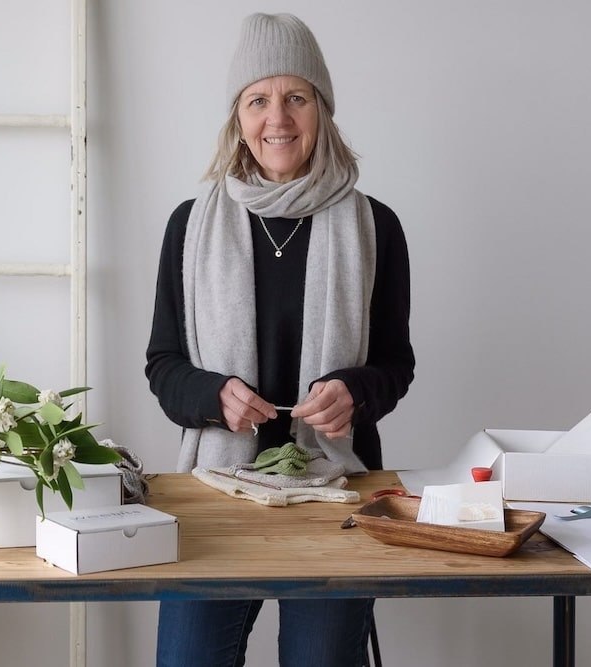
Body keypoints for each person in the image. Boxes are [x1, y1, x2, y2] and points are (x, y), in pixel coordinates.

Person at [145, 12, 415, 667]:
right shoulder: (190, 227)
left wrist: (355, 391)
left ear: (320, 110)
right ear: (237, 116)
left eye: (296, 97)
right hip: (215, 491)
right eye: (258, 100)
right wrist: (214, 396)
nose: (278, 119)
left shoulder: (375, 226)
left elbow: (395, 364)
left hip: (339, 493)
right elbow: (162, 365)